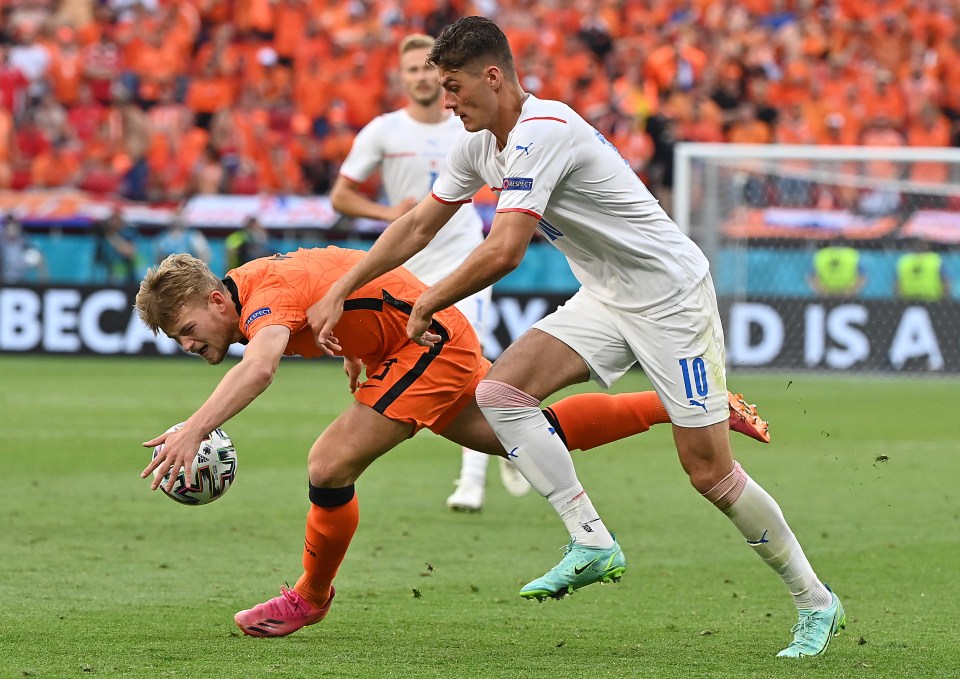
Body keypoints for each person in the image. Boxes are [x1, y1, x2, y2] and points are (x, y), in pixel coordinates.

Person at [305, 17, 842, 658]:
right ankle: (590, 540)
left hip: (672, 301)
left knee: (710, 475)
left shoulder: (544, 130)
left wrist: (428, 300)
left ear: (493, 76)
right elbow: (418, 223)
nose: (446, 102)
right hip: (606, 296)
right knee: (502, 393)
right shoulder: (478, 143)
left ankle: (816, 601)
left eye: (454, 87)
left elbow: (505, 251)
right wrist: (344, 287)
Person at [135, 249, 770, 639]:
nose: (190, 345)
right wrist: (359, 347)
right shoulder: (252, 290)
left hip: (423, 342)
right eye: (176, 340)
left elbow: (263, 365)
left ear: (218, 300)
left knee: (328, 463)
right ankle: (692, 406)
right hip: (409, 340)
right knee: (532, 438)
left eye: (189, 329)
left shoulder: (262, 297)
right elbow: (341, 276)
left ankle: (310, 596)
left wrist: (192, 430)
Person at [330, 33, 527, 512]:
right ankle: (513, 435)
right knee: (431, 373)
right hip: (405, 270)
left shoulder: (472, 125)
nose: (422, 77)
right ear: (403, 77)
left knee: (467, 358)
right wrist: (385, 213)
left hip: (463, 263)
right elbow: (340, 196)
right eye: (413, 70)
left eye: (428, 70)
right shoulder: (383, 131)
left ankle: (471, 483)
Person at [93, 207, 139, 285]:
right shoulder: (102, 235)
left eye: (115, 219)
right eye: (111, 219)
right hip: (106, 271)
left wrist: (112, 237)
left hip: (124, 271)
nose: (113, 222)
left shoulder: (128, 233)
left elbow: (129, 252)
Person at [895, 238, 950, 303]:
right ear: (928, 246)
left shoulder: (904, 261)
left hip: (908, 299)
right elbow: (946, 281)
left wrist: (899, 299)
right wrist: (944, 298)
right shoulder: (935, 260)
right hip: (931, 299)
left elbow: (897, 283)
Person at [1, 213, 47, 283]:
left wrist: (43, 283)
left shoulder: (24, 240)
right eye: (9, 224)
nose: (11, 227)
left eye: (14, 224)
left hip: (21, 280)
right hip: (5, 280)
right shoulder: (2, 242)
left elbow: (38, 258)